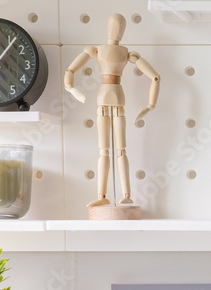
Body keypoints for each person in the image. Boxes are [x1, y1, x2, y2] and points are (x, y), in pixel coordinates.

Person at [64, 13, 160, 208]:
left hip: (115, 96)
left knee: (120, 149)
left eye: (119, 26)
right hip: (105, 97)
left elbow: (155, 77)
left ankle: (126, 194)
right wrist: (71, 88)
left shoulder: (126, 53)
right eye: (114, 25)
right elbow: (70, 71)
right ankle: (102, 195)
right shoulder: (98, 50)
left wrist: (150, 105)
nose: (116, 29)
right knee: (104, 150)